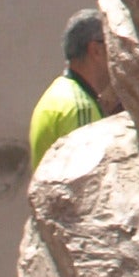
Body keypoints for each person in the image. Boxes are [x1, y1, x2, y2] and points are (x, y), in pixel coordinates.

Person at [29, 10, 111, 172]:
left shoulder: (57, 93)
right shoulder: (80, 107)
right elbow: (87, 180)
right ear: (95, 50)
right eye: (113, 44)